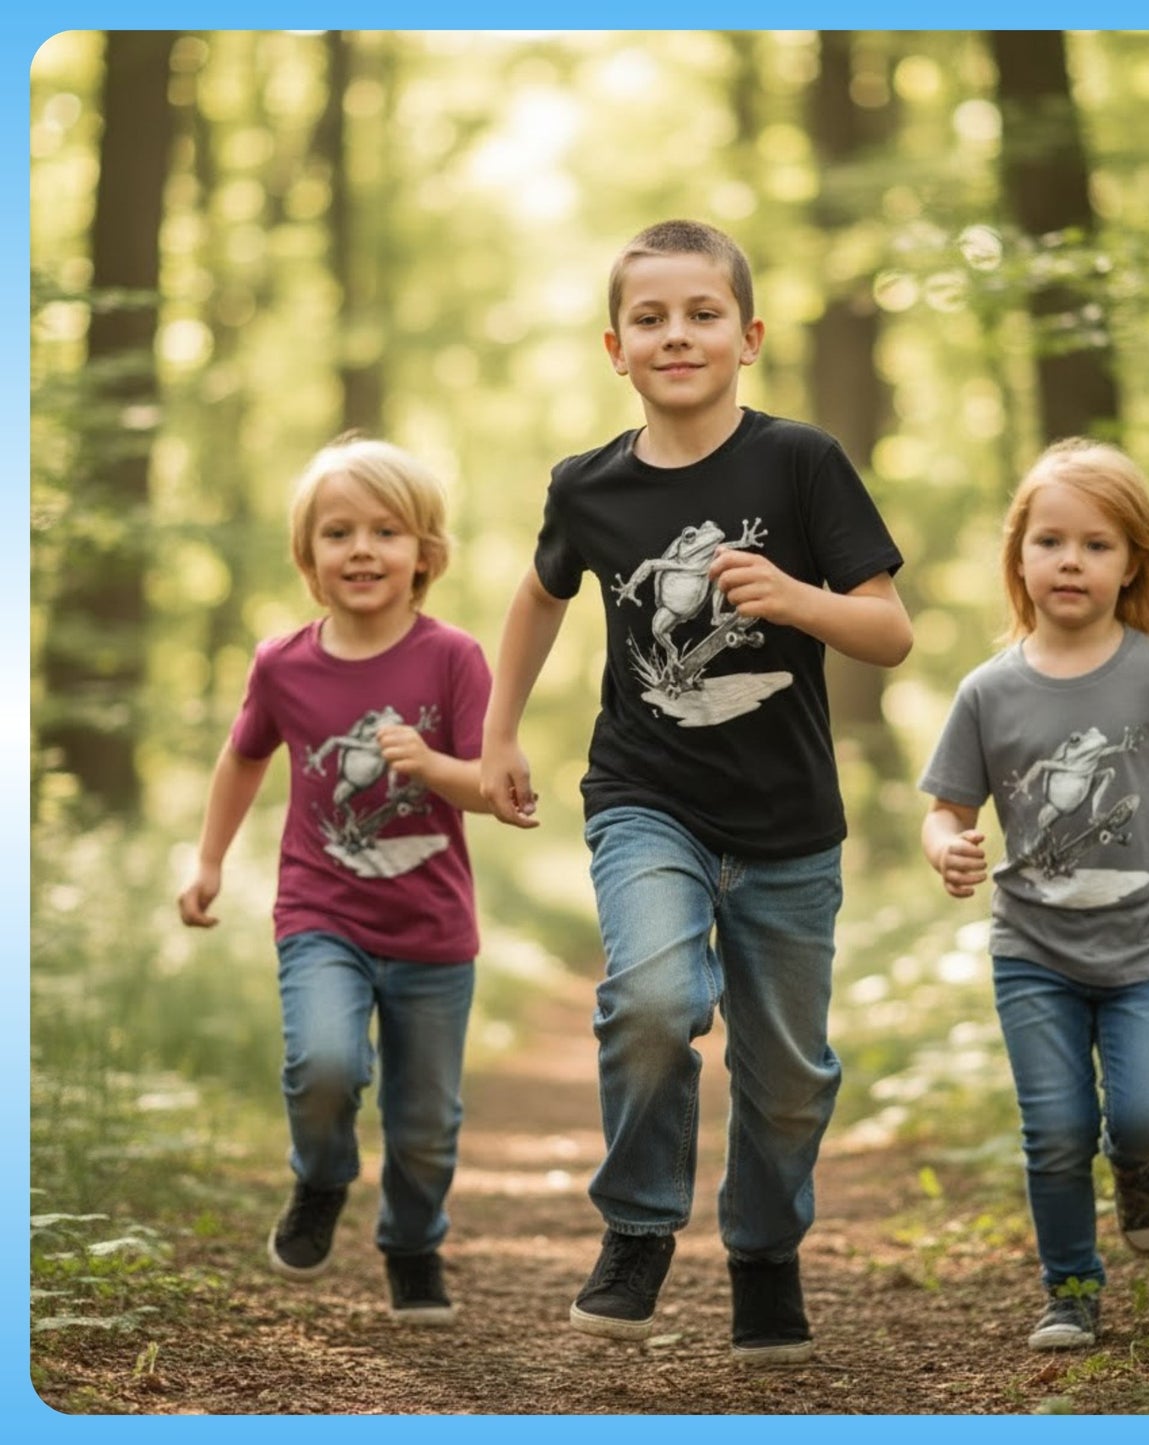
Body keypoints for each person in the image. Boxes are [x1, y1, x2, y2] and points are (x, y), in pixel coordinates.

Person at [479, 219, 912, 1364]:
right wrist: (498, 729)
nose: (676, 334)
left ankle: (763, 1252)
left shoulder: (800, 462)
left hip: (788, 822)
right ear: (614, 347)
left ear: (747, 336)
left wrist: (795, 597)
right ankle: (636, 1226)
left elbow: (889, 631)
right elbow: (538, 593)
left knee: (787, 1075)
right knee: (653, 998)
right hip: (644, 795)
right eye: (650, 317)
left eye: (701, 313)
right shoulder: (587, 484)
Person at [918, 437, 1149, 1352]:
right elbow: (945, 808)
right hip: (1032, 950)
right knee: (1055, 1129)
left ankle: (1137, 1162)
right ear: (1018, 556)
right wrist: (948, 847)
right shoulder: (987, 691)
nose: (1070, 560)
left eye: (1096, 544)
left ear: (1130, 563)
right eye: (1050, 541)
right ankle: (1069, 1289)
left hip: (1147, 945)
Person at [177, 434, 494, 1326]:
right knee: (322, 1063)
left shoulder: (453, 658)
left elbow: (488, 787)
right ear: (307, 554)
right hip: (320, 913)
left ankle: (413, 1244)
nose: (361, 549)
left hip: (433, 928)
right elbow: (243, 757)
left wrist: (430, 763)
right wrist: (209, 860)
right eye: (338, 532)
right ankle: (320, 1179)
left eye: (386, 531)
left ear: (423, 553)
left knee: (424, 1121)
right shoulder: (283, 663)